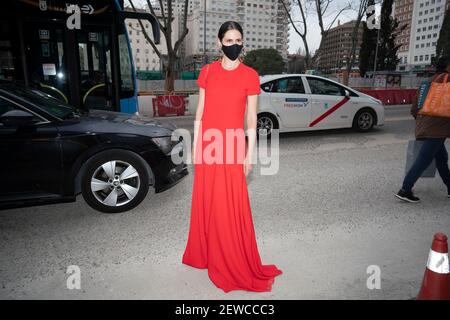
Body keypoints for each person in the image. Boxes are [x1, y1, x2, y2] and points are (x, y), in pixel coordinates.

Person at [182, 21, 282, 292]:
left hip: (233, 147)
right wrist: (194, 144)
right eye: (229, 41)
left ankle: (229, 259)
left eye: (238, 40)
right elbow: (200, 112)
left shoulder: (250, 75)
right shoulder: (207, 72)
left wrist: (249, 154)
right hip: (208, 146)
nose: (234, 45)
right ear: (219, 43)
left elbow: (252, 120)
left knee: (229, 206)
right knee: (208, 201)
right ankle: (206, 254)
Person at [396, 55, 450, 203]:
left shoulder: (426, 82)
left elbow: (415, 108)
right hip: (437, 127)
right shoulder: (448, 82)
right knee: (424, 159)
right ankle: (405, 190)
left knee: (441, 159)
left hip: (424, 125)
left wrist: (422, 121)